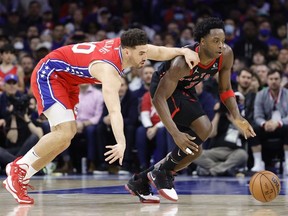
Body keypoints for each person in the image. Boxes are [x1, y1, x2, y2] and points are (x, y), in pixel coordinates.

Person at [2, 28, 199, 204]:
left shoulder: (129, 47)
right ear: (127, 51)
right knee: (64, 132)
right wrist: (121, 142)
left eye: (144, 52)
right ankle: (18, 168)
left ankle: (22, 174)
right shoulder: (108, 71)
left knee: (64, 139)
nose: (145, 58)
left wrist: (183, 50)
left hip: (68, 80)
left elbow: (158, 51)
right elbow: (114, 111)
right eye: (141, 54)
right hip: (49, 75)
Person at [125, 17, 256, 203]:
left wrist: (237, 116)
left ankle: (140, 181)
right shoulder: (182, 62)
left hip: (185, 88)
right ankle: (161, 172)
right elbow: (158, 98)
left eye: (223, 41)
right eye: (215, 41)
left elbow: (225, 89)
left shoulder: (226, 55)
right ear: (202, 42)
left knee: (194, 151)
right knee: (204, 128)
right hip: (162, 88)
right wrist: (176, 133)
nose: (221, 46)